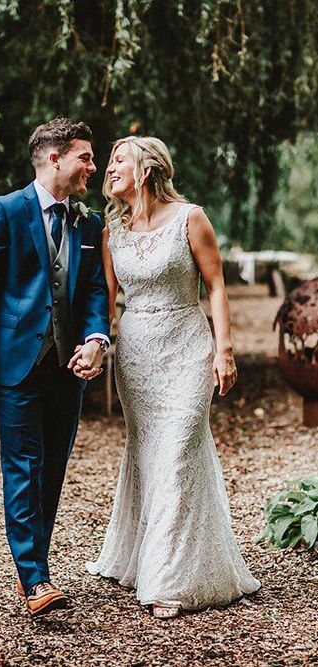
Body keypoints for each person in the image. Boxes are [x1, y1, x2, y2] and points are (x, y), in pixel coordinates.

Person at [83, 135, 261, 619]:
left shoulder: (190, 218)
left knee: (180, 448)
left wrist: (224, 349)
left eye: (119, 160)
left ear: (146, 168)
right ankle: (145, 557)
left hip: (186, 347)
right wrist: (99, 344)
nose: (109, 168)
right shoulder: (111, 229)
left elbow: (217, 284)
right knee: (148, 453)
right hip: (137, 356)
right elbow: (107, 301)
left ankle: (169, 578)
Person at [0, 117, 110, 617]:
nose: (93, 165)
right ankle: (35, 578)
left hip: (69, 365)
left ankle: (34, 564)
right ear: (55, 158)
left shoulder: (89, 222)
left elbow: (93, 292)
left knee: (54, 468)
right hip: (16, 360)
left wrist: (96, 338)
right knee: (23, 465)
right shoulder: (4, 211)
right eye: (85, 156)